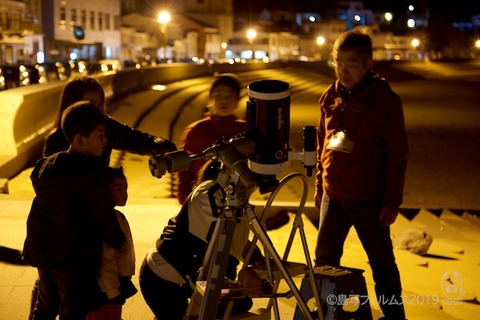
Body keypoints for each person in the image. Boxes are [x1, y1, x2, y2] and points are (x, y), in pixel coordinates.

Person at [314, 28, 409, 320]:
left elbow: (397, 155)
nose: (342, 69)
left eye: (351, 63)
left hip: (369, 200)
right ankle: (328, 311)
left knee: (382, 265)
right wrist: (320, 186)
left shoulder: (386, 101)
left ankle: (395, 316)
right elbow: (322, 143)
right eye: (338, 62)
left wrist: (391, 202)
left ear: (368, 64)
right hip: (333, 195)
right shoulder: (329, 96)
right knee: (325, 262)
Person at [23, 101, 126, 320]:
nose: (105, 140)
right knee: (74, 309)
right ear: (80, 140)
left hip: (43, 251)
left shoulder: (48, 167)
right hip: (73, 258)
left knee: (46, 305)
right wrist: (117, 239)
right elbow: (102, 214)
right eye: (100, 134)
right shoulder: (90, 175)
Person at [139, 160, 264, 320]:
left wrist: (258, 259)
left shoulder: (234, 200)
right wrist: (235, 280)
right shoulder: (209, 193)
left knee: (241, 304)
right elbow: (218, 241)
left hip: (186, 275)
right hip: (162, 277)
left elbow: (240, 240)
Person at [43, 75, 176, 162]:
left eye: (100, 104)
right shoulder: (56, 140)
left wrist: (163, 147)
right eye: (90, 104)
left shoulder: (107, 127)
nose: (96, 110)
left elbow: (136, 139)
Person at [177, 73, 247, 204]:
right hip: (202, 202)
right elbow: (184, 172)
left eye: (229, 96)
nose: (224, 101)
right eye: (218, 95)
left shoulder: (244, 130)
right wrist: (185, 203)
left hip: (236, 201)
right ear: (210, 100)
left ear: (237, 101)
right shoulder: (196, 130)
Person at [86, 166, 137, 320]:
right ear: (105, 191)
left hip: (115, 285)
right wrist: (113, 293)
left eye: (125, 188)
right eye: (119, 189)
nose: (125, 193)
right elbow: (105, 261)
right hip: (106, 291)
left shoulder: (116, 216)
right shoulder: (107, 223)